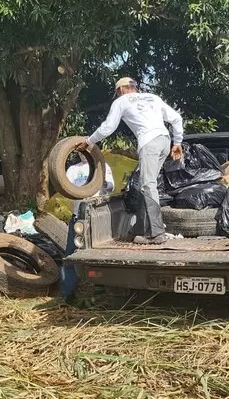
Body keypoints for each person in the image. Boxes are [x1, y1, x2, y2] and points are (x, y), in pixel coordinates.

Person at [76, 77, 184, 245]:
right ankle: (140, 229)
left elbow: (108, 127)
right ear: (134, 87)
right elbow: (176, 118)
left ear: (120, 90)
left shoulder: (121, 102)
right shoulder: (153, 98)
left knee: (147, 185)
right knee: (145, 185)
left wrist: (89, 141)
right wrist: (177, 142)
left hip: (149, 143)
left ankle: (156, 233)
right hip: (164, 140)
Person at [61, 152, 115, 300]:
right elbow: (66, 189)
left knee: (99, 253)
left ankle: (101, 290)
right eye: (80, 151)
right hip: (78, 216)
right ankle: (67, 293)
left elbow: (111, 187)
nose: (84, 154)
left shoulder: (102, 167)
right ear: (78, 153)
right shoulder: (72, 170)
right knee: (71, 254)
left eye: (86, 151)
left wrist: (103, 182)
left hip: (97, 216)